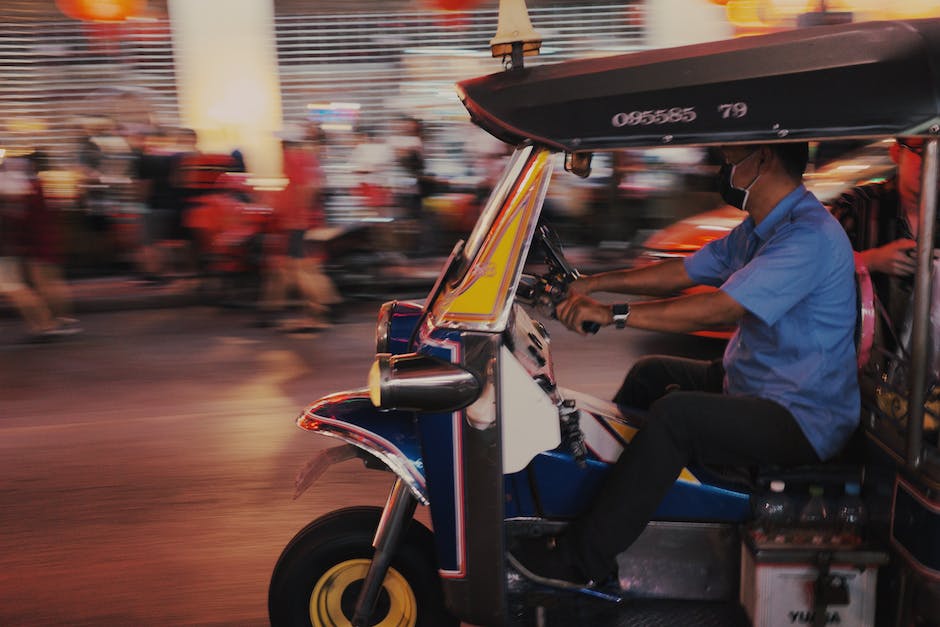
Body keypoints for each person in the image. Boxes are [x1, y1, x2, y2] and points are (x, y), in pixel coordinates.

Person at [509, 142, 861, 588]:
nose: (725, 168)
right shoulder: (761, 228)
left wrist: (613, 314)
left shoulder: (806, 236)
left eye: (733, 158)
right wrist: (591, 284)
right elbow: (683, 272)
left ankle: (583, 561)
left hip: (803, 417)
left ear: (765, 158)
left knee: (676, 418)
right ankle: (611, 503)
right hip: (756, 382)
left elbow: (718, 309)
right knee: (650, 374)